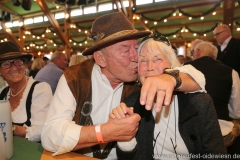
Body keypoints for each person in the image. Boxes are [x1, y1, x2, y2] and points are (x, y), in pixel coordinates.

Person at [41, 12, 205, 159]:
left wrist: (171, 78)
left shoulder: (140, 80)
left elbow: (200, 79)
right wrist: (105, 132)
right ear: (101, 58)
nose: (136, 57)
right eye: (125, 50)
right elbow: (50, 136)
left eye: (135, 47)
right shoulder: (75, 77)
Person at [110, 35, 227, 159]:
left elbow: (216, 154)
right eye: (143, 61)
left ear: (172, 65)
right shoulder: (132, 103)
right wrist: (126, 135)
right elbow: (127, 158)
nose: (150, 67)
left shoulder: (199, 102)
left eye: (158, 59)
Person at [186, 41, 240, 156]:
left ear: (198, 52)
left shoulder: (183, 70)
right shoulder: (231, 72)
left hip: (188, 130)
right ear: (215, 55)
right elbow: (236, 111)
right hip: (221, 130)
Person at [0, 41, 52, 142]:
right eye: (6, 64)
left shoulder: (40, 89)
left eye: (17, 62)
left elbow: (43, 131)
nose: (14, 68)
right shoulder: (2, 93)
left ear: (23, 64)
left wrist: (11, 129)